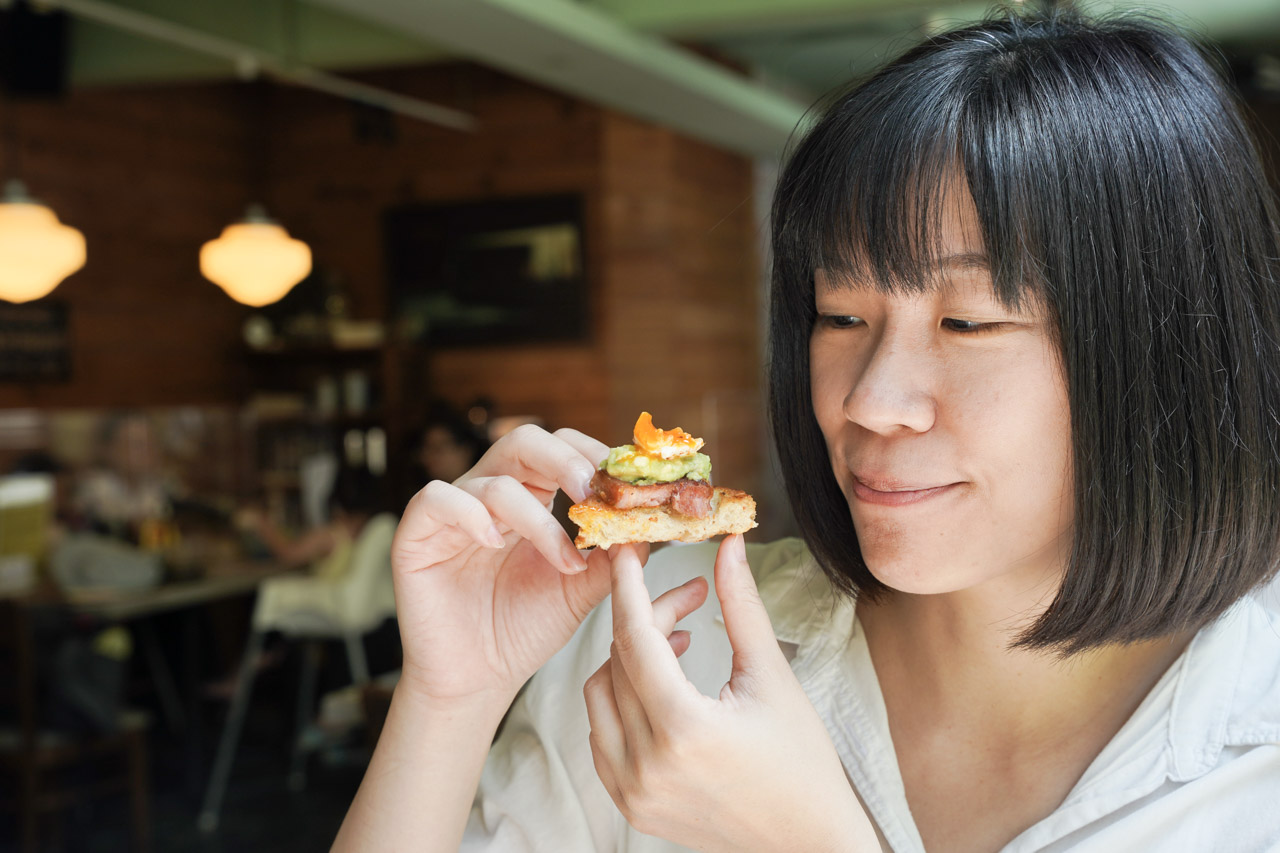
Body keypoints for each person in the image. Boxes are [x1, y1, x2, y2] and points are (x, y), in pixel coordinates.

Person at [334, 10, 1280, 852]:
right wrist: (450, 699)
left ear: (1169, 347)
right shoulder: (659, 637)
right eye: (839, 313)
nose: (869, 398)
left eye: (970, 321)